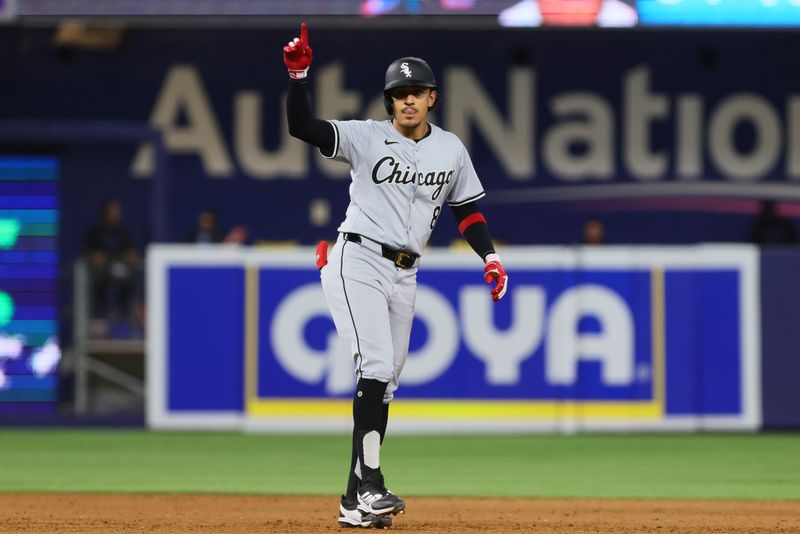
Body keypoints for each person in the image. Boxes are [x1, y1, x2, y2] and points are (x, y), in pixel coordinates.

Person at [284, 23, 508, 530]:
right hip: (358, 258)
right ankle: (372, 485)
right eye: (398, 94)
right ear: (389, 101)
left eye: (415, 93)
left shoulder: (450, 149)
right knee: (376, 364)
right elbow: (304, 128)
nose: (406, 101)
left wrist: (490, 258)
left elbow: (468, 212)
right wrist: (299, 77)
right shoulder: (366, 137)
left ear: (433, 98)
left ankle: (351, 502)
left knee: (384, 386)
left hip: (406, 273)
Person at [83, 199, 140, 327]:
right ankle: (100, 316)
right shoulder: (95, 232)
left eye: (117, 211)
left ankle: (122, 313)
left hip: (119, 269)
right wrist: (95, 256)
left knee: (132, 279)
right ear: (105, 213)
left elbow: (130, 251)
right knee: (100, 287)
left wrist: (129, 255)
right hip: (99, 273)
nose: (115, 214)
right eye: (113, 211)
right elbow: (88, 252)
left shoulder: (122, 233)